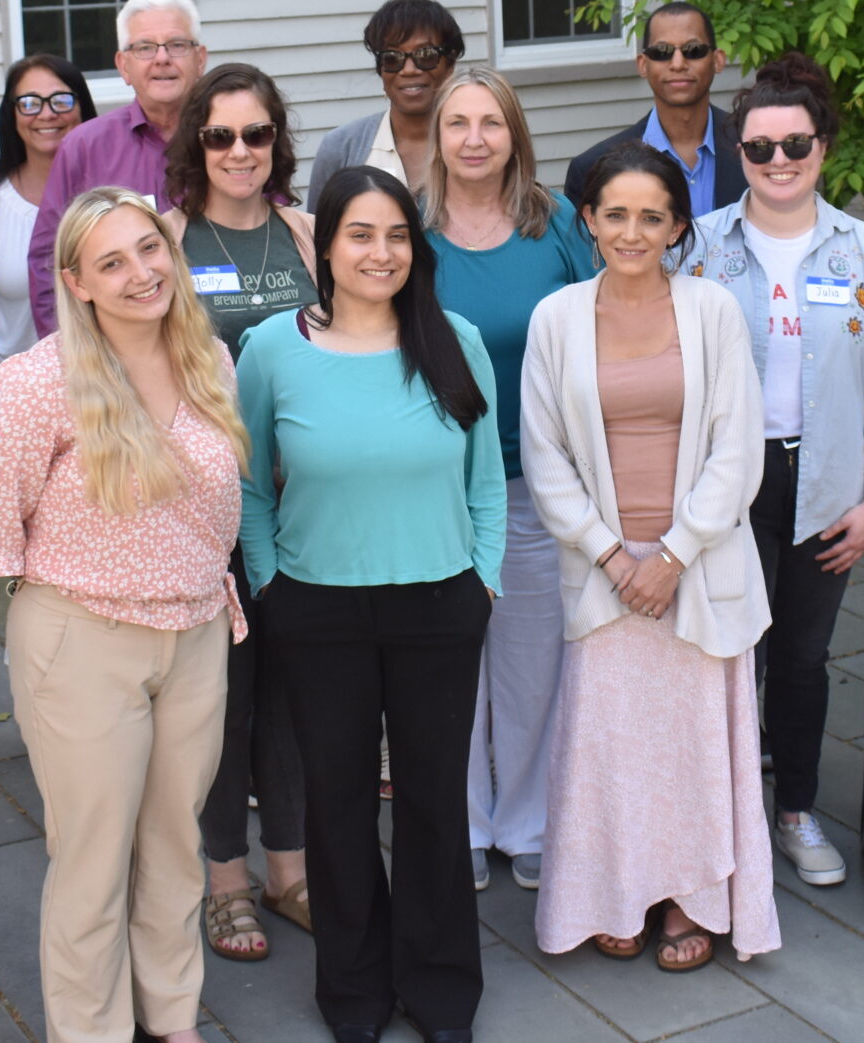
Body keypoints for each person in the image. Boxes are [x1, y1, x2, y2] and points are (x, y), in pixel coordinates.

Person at [0, 187, 246, 1043]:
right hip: (82, 638)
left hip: (195, 634)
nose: (140, 272)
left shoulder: (207, 360)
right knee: (91, 860)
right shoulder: (36, 382)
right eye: (111, 261)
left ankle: (173, 1016)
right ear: (75, 281)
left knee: (175, 846)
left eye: (149, 249)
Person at [235, 165, 503, 1043]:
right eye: (360, 233)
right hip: (318, 610)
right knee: (337, 803)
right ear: (327, 246)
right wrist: (272, 582)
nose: (379, 252)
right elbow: (250, 488)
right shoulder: (273, 349)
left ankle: (439, 988)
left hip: (439, 603)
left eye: (396, 235)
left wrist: (484, 579)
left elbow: (488, 481)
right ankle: (351, 987)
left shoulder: (453, 338)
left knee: (432, 800)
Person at [524, 143, 779, 972]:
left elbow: (737, 451)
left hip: (696, 569)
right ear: (589, 220)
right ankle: (613, 893)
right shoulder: (555, 317)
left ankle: (690, 899)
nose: (632, 231)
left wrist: (670, 554)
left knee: (695, 751)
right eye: (615, 213)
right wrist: (612, 555)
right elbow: (545, 456)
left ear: (678, 226)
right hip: (605, 576)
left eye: (652, 216)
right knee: (611, 754)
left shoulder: (712, 310)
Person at [689, 52, 864, 886]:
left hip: (825, 484)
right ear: (738, 152)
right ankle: (724, 811)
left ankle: (795, 810)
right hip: (726, 487)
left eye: (796, 144)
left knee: (803, 656)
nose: (778, 162)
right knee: (725, 650)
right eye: (759, 148)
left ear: (824, 148)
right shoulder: (702, 248)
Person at [424, 68, 601, 894]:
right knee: (449, 661)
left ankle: (527, 821)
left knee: (532, 659)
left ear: (514, 133)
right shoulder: (410, 230)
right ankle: (458, 820)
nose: (472, 138)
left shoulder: (557, 223)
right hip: (433, 484)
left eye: (490, 122)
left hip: (535, 478)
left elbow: (604, 330)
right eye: (457, 122)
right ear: (438, 134)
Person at [159, 63, 316, 960]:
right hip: (203, 514)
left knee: (296, 696)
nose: (240, 151)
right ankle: (225, 881)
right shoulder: (165, 239)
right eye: (220, 136)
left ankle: (290, 871)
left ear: (276, 141)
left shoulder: (305, 233)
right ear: (196, 146)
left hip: (305, 513)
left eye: (256, 134)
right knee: (220, 701)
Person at [30, 0, 209, 331]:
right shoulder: (84, 147)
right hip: (115, 359)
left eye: (176, 45)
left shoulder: (234, 143)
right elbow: (48, 261)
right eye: (144, 47)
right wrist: (69, 354)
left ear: (199, 59)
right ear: (123, 65)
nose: (162, 58)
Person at [0, 54, 95, 367]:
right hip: (18, 379)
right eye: (30, 102)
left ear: (82, 106)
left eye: (61, 100)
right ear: (12, 114)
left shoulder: (113, 197)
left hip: (110, 380)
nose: (46, 114)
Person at [562, 1, 744, 219]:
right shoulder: (590, 169)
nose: (678, 63)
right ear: (642, 65)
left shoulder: (759, 149)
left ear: (717, 60)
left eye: (693, 50)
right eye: (662, 52)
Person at [308, 0, 462, 207]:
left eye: (426, 55)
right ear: (381, 69)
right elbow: (320, 235)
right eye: (392, 58)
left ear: (450, 64)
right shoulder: (341, 148)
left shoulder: (475, 145)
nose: (409, 69)